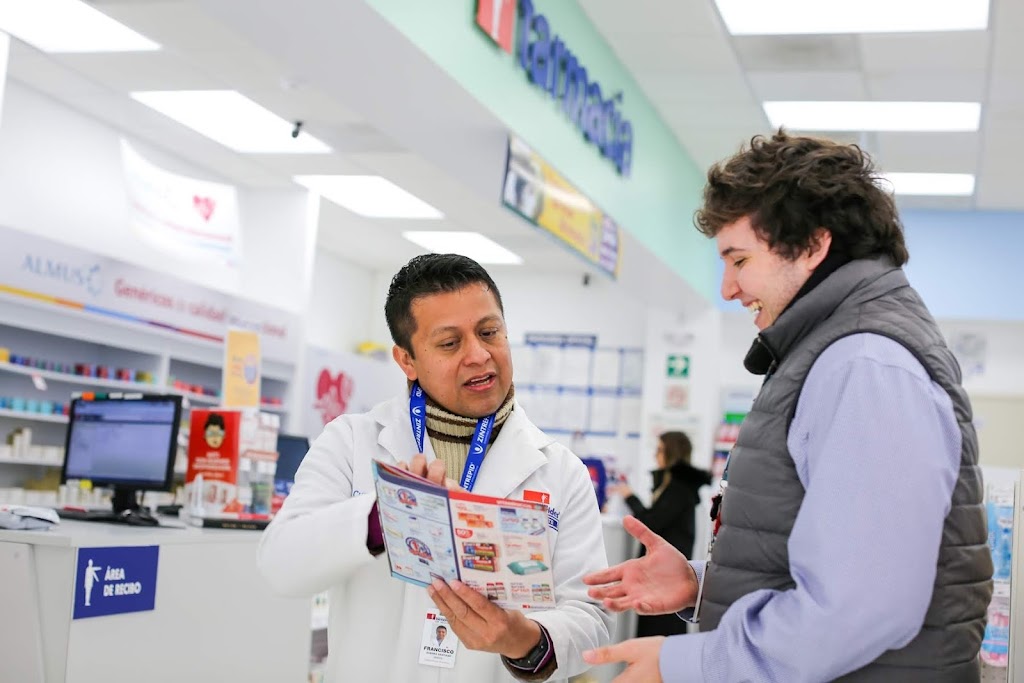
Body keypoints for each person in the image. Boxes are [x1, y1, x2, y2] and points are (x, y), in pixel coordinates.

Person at [582, 131, 993, 682]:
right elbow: (831, 565)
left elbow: (860, 609)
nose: (727, 288)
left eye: (739, 259)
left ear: (812, 247)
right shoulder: (835, 353)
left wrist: (687, 662)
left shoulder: (865, 366)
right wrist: (703, 586)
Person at [258, 253, 611, 682]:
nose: (479, 355)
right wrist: (380, 518)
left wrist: (527, 639)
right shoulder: (351, 442)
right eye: (450, 343)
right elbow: (281, 566)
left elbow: (591, 621)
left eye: (489, 332)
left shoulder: (559, 470)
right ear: (407, 360)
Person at [607, 431, 710, 638]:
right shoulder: (673, 486)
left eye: (660, 450)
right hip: (664, 571)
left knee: (660, 631)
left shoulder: (678, 489)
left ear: (671, 453)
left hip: (668, 573)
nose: (656, 455)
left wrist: (630, 497)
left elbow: (652, 521)